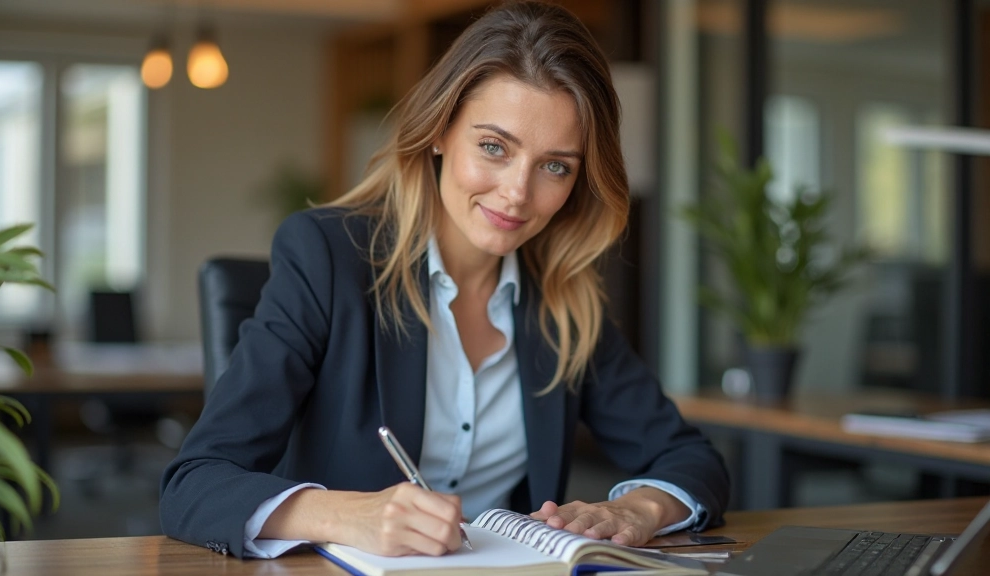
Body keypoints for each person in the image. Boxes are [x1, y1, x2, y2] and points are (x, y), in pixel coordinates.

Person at [160, 0, 729, 560]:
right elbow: (194, 485)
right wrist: (346, 515)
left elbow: (690, 459)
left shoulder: (565, 302)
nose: (517, 193)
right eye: (493, 147)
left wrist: (641, 509)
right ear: (439, 131)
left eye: (555, 166)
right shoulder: (326, 258)